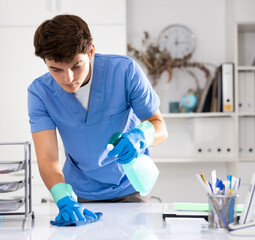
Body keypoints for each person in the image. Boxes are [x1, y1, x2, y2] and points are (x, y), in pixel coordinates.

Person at [28, 14, 168, 226]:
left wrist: (141, 136)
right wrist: (63, 198)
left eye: (76, 66)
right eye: (56, 69)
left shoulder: (125, 72)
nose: (68, 78)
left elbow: (160, 127)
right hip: (78, 194)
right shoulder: (40, 93)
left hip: (129, 188)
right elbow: (48, 159)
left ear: (90, 51)